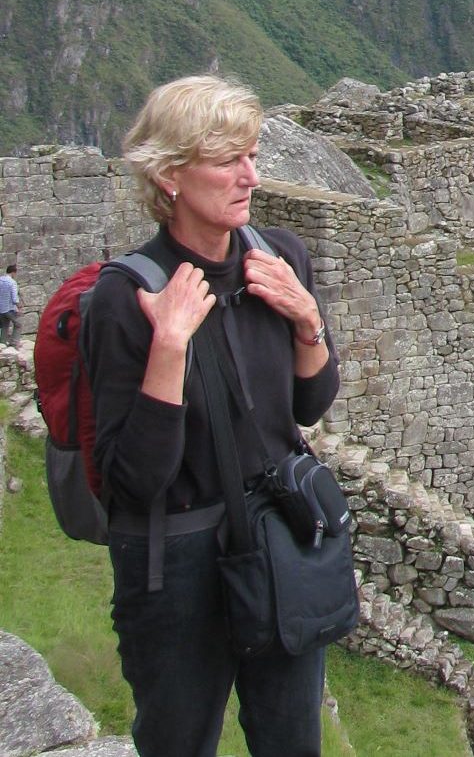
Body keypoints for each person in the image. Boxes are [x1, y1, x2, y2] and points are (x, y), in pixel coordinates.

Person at [85, 75, 339, 757]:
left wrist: (307, 320)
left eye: (253, 155)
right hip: (177, 565)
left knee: (292, 742)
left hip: (278, 543)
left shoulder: (280, 257)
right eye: (229, 160)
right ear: (169, 174)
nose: (250, 176)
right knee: (178, 743)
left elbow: (309, 406)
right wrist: (169, 346)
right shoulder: (126, 296)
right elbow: (133, 482)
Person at [0, 262, 18, 344]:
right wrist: (19, 307)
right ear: (13, 272)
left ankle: (2, 344)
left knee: (4, 327)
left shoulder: (0, 279)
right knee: (18, 324)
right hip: (9, 309)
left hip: (1, 309)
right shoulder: (12, 282)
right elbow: (14, 299)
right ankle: (14, 343)